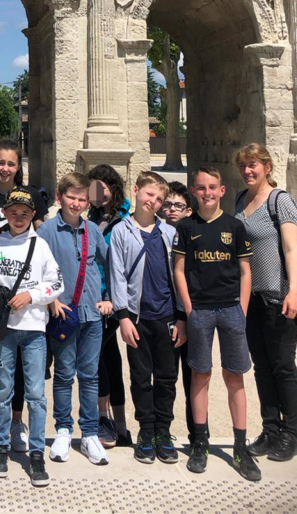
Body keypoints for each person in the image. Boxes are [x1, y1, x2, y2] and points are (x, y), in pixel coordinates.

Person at [172, 167, 260, 481]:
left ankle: (240, 445)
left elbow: (245, 271)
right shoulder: (185, 226)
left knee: (235, 376)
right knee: (201, 374)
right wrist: (190, 308)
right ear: (193, 192)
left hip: (231, 309)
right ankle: (200, 442)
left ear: (222, 190)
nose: (207, 193)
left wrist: (243, 310)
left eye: (213, 187)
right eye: (201, 188)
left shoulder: (235, 226)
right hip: (201, 311)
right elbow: (179, 270)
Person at [0, 186, 62, 486]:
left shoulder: (41, 246)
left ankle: (36, 453)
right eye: (14, 214)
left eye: (25, 214)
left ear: (32, 215)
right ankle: (1, 447)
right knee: (2, 392)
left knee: (36, 395)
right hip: (4, 330)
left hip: (34, 329)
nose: (19, 218)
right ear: (6, 215)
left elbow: (56, 283)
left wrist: (32, 295)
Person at [0, 139, 49, 454]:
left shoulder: (32, 197)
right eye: (0, 162)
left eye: (11, 163)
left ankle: (17, 422)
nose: (5, 168)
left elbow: (41, 237)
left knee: (22, 364)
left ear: (19, 166)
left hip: (26, 293)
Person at [108, 171, 186, 465]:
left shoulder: (169, 233)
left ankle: (163, 432)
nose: (152, 201)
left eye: (159, 199)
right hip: (138, 318)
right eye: (149, 194)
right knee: (141, 379)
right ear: (137, 191)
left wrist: (181, 318)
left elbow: (178, 277)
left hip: (167, 315)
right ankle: (146, 430)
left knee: (167, 378)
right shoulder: (120, 231)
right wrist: (123, 316)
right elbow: (116, 275)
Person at [234, 143, 297, 462]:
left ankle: (290, 434)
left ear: (267, 167)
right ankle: (270, 430)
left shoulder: (281, 201)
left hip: (279, 296)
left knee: (283, 366)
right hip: (251, 299)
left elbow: (292, 250)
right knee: (262, 366)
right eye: (243, 166)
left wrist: (293, 291)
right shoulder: (240, 199)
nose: (248, 171)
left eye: (253, 165)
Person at [38, 172, 110, 466]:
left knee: (90, 375)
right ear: (60, 198)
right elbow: (37, 268)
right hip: (63, 313)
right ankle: (64, 429)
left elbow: (108, 264)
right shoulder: (46, 232)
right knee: (65, 374)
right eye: (71, 197)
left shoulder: (92, 230)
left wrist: (110, 298)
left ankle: (90, 432)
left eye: (82, 199)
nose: (76, 203)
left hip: (92, 313)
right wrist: (51, 299)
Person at [87, 164, 133, 449]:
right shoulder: (94, 215)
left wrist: (114, 299)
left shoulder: (125, 218)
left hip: (114, 299)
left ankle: (105, 418)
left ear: (112, 187)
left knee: (99, 358)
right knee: (111, 359)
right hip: (96, 296)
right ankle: (120, 424)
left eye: (100, 187)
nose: (95, 193)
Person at [160, 180, 198, 449]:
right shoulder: (156, 232)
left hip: (193, 315)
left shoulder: (195, 235)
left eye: (178, 206)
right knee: (166, 376)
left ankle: (197, 434)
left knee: (194, 376)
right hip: (166, 314)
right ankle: (163, 432)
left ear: (188, 210)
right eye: (167, 204)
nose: (172, 209)